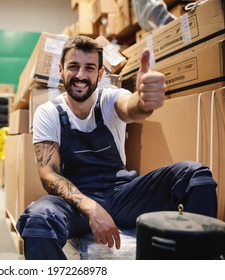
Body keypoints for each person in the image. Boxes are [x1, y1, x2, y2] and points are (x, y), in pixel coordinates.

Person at [16, 35, 218, 260]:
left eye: (89, 68)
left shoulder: (110, 99)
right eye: (73, 67)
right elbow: (48, 174)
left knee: (195, 176)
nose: (81, 75)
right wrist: (92, 208)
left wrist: (143, 100)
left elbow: (132, 107)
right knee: (37, 220)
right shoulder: (49, 112)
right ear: (62, 71)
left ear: (100, 74)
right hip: (78, 204)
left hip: (123, 196)